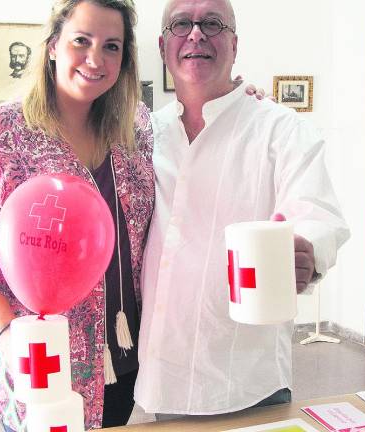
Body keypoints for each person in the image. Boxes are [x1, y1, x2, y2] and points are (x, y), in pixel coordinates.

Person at [0, 0, 153, 430]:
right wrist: (7, 335)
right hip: (36, 360)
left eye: (112, 47)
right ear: (53, 44)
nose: (96, 59)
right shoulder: (0, 133)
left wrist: (233, 95)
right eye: (81, 41)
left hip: (121, 354)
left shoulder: (137, 130)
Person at [135, 0, 351, 417]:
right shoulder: (145, 134)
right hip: (164, 374)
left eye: (212, 23)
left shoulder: (280, 129)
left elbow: (318, 216)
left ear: (235, 44)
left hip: (247, 378)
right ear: (164, 47)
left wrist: (307, 249)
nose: (196, 33)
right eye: (182, 24)